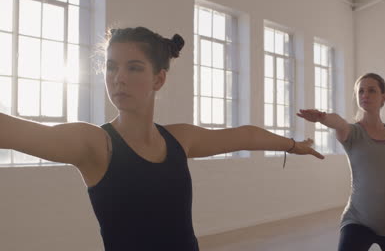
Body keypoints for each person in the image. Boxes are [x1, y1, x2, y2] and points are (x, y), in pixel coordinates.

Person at [0, 27, 324, 250]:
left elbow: (245, 136)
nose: (119, 78)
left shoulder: (179, 139)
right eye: (111, 67)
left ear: (159, 78)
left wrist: (295, 146)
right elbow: (12, 130)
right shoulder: (95, 145)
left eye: (134, 68)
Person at [297, 73, 385, 251]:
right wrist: (322, 117)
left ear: (383, 98)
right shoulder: (352, 133)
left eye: (372, 90)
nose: (365, 95)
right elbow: (339, 122)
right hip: (359, 221)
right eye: (361, 91)